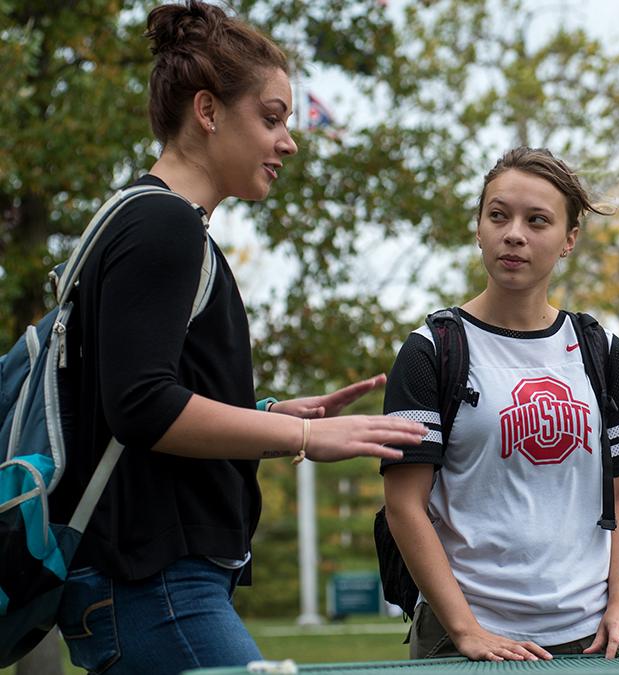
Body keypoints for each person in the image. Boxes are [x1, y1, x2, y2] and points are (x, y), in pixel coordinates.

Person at [46, 3, 427, 673]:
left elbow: (139, 394)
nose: (289, 142)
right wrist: (304, 438)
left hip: (154, 583)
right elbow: (140, 405)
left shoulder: (142, 220)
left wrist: (270, 414)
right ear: (209, 110)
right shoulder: (164, 228)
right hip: (157, 585)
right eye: (272, 118)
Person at [381, 147, 619, 662]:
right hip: (464, 638)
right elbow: (404, 505)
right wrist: (467, 631)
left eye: (537, 220)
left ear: (568, 241)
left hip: (590, 638)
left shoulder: (601, 350)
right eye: (499, 215)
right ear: (479, 227)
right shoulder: (431, 350)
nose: (514, 233)